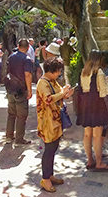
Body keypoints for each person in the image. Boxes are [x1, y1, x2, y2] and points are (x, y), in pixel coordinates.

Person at [36, 57, 74, 193]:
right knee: (49, 150)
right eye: (58, 71)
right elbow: (48, 99)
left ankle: (49, 175)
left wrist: (66, 92)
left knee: (53, 148)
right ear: (52, 71)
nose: (59, 73)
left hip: (55, 120)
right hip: (48, 122)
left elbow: (59, 94)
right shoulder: (42, 83)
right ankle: (45, 179)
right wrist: (62, 93)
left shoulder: (52, 81)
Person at [76, 50, 108, 171]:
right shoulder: (99, 72)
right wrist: (107, 81)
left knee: (87, 134)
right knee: (97, 136)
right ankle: (99, 162)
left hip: (85, 105)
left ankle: (90, 160)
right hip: (97, 105)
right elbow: (104, 92)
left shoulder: (84, 71)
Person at [5, 39, 33, 145]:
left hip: (11, 89)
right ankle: (19, 138)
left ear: (18, 45)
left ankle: (9, 136)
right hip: (21, 90)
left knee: (11, 113)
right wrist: (29, 90)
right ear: (28, 47)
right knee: (21, 115)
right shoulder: (26, 59)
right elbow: (28, 75)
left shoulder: (11, 57)